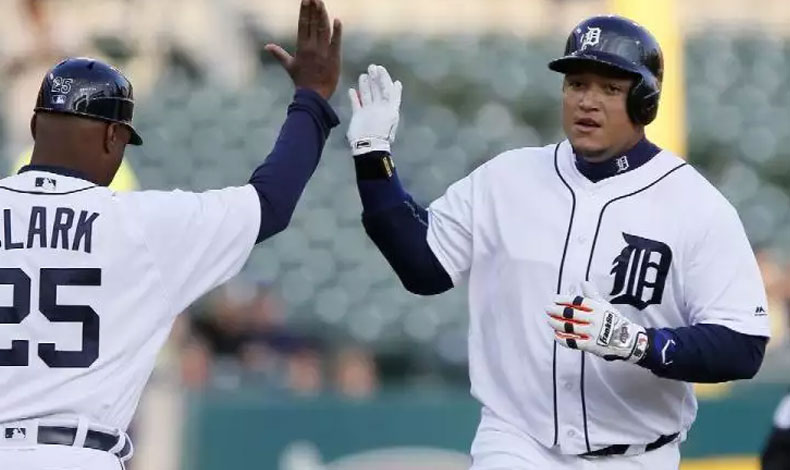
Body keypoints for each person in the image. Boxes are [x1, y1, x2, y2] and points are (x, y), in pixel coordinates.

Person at [345, 15, 770, 469]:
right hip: (516, 442)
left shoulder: (696, 206)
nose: (588, 101)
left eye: (610, 88)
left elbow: (742, 346)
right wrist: (373, 158)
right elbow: (422, 268)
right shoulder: (506, 178)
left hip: (637, 455)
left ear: (645, 101)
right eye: (577, 84)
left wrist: (639, 344)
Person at [0, 0, 341, 468]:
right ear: (113, 138)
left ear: (36, 124)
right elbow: (270, 202)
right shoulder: (142, 224)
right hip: (77, 456)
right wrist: (312, 101)